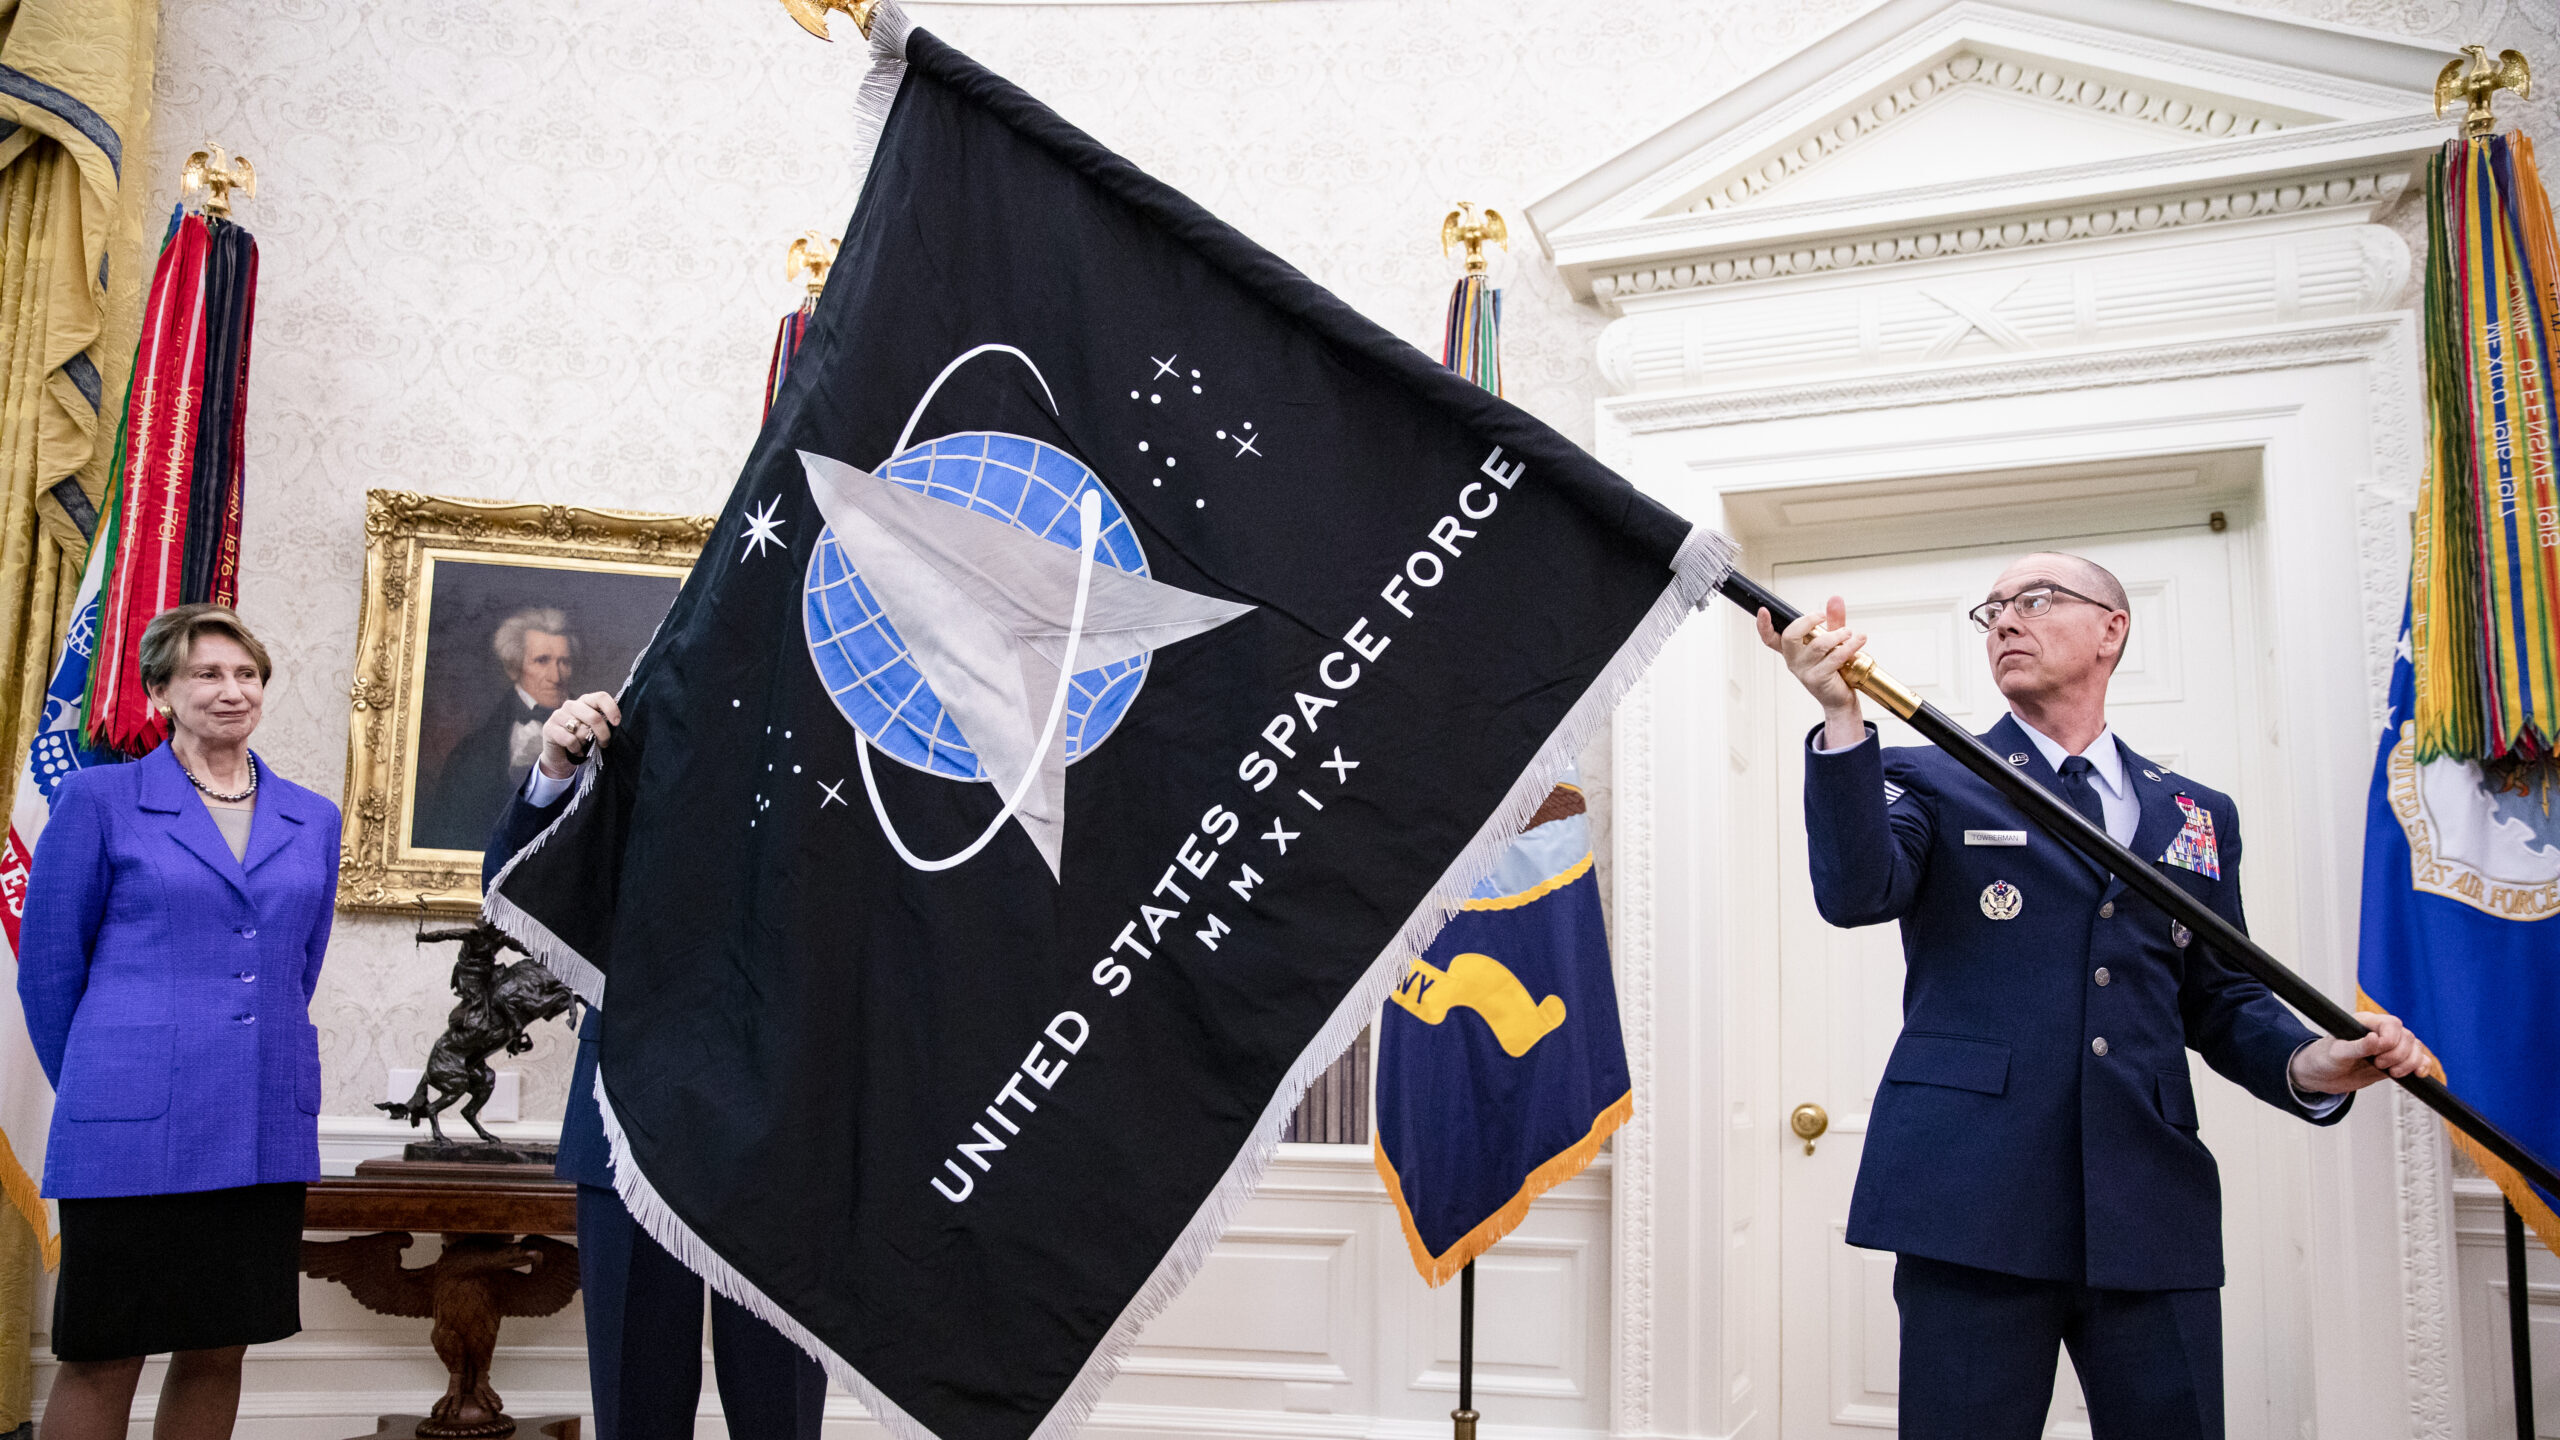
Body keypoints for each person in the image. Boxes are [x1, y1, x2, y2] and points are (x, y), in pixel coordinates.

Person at [1757, 552, 2431, 1440]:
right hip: (1971, 1198)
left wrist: (2314, 1061)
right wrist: (1841, 717)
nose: (2004, 620)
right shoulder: (1935, 774)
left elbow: (2218, 995)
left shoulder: (2196, 812)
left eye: (2035, 600)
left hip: (2150, 1201)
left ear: (2113, 628)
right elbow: (1855, 892)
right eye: (1991, 609)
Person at [19, 604, 342, 1440]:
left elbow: (295, 968)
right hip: (128, 1131)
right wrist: (105, 1083)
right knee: (104, 1352)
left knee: (218, 1346)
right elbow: (50, 971)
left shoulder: (312, 817)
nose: (230, 690)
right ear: (160, 690)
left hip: (258, 1125)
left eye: (246, 674)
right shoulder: (100, 800)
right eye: (206, 673)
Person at [483, 688, 828, 1440]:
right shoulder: (627, 741)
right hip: (627, 1119)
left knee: (783, 1411)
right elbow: (512, 882)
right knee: (636, 1402)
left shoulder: (831, 761)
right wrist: (553, 769)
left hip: (781, 1135)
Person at [417, 607, 580, 851]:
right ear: (513, 668)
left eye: (564, 662)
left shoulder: (598, 740)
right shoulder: (470, 754)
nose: (556, 676)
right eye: (542, 660)